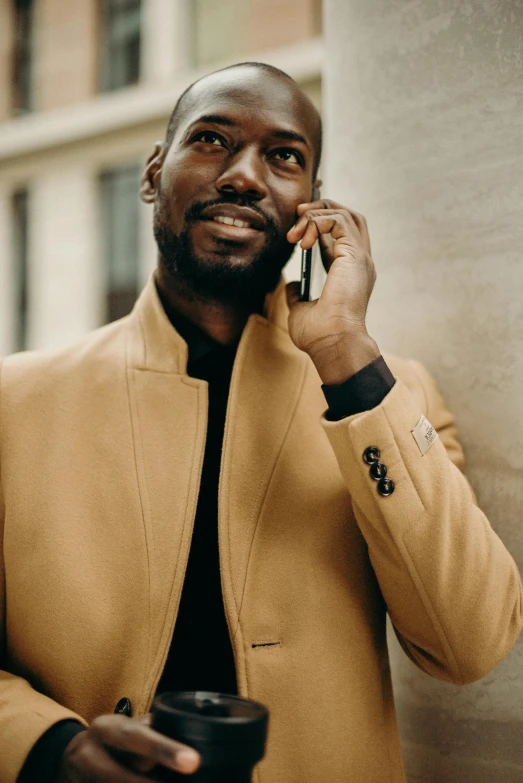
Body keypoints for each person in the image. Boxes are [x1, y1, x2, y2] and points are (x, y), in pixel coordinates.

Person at [1, 62, 521, 783]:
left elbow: (469, 643)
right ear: (154, 172)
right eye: (211, 140)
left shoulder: (386, 396)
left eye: (284, 156)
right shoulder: (12, 402)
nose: (245, 176)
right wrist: (46, 747)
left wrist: (345, 355)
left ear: (312, 205)